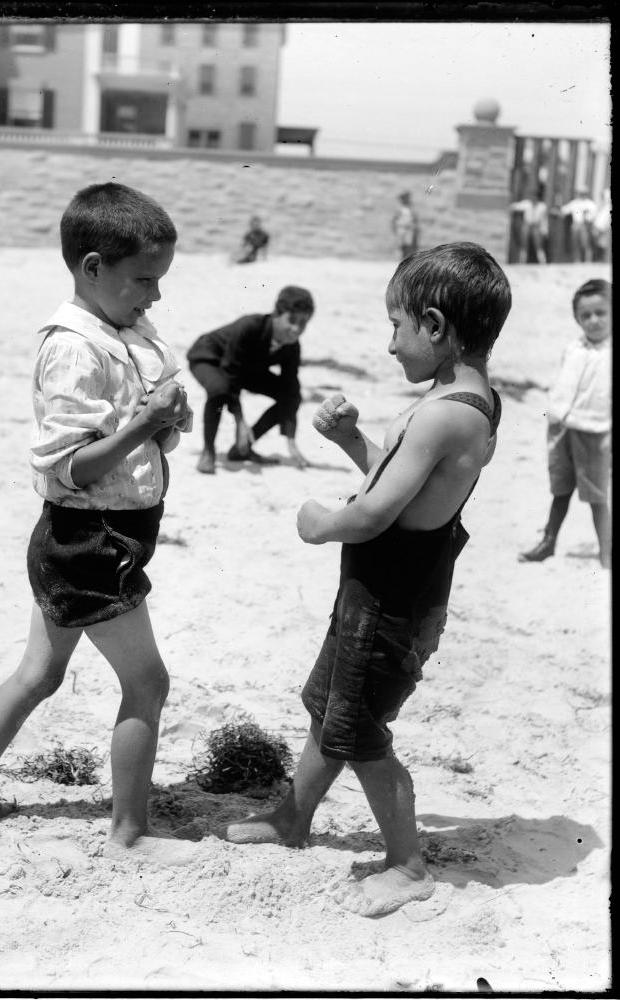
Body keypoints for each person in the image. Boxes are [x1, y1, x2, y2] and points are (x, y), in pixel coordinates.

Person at [226, 242, 511, 918]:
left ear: (435, 326)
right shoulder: (468, 401)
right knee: (328, 707)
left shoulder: (444, 412)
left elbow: (378, 511)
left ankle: (408, 865)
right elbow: (404, 483)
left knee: (356, 731)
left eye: (396, 326)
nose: (388, 346)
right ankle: (292, 818)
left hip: (390, 601)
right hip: (383, 592)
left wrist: (318, 521)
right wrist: (353, 442)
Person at [0, 182, 196, 863]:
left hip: (83, 538)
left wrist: (164, 421)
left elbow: (132, 441)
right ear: (92, 268)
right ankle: (129, 832)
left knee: (39, 673)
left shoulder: (124, 332)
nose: (154, 296)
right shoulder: (73, 348)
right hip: (88, 541)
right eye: (143, 280)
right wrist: (145, 423)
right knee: (148, 684)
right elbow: (69, 466)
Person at [519, 278, 611, 569]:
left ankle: (606, 552)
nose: (594, 320)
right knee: (560, 488)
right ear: (576, 319)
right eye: (586, 315)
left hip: (596, 431)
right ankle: (548, 541)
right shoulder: (573, 348)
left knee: (597, 495)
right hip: (562, 427)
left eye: (601, 313)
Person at [187, 286, 315, 473]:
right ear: (276, 314)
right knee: (219, 389)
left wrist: (290, 439)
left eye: (303, 322)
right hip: (209, 357)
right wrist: (240, 421)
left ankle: (244, 447)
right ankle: (208, 451)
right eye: (292, 320)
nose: (296, 329)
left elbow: (290, 387)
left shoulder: (292, 346)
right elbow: (230, 372)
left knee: (291, 395)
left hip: (244, 369)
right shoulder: (250, 325)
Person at [510, 186, 549, 264]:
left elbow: (544, 220)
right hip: (527, 226)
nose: (533, 198)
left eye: (535, 196)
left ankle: (543, 263)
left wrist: (545, 230)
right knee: (524, 245)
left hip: (536, 226)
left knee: (539, 246)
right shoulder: (526, 204)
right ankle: (522, 263)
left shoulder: (542, 206)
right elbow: (516, 206)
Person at [560, 189, 597, 263]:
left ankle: (588, 260)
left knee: (586, 243)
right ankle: (577, 260)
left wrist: (588, 217)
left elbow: (593, 215)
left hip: (585, 225)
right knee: (575, 243)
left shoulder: (590, 203)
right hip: (576, 225)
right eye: (580, 193)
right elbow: (564, 210)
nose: (581, 194)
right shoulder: (574, 203)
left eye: (582, 193)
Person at [391, 192, 420, 260]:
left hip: (409, 229)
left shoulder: (411, 208)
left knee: (408, 245)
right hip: (401, 228)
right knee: (400, 245)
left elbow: (415, 218)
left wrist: (414, 226)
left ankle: (406, 259)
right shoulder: (399, 208)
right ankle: (399, 259)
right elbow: (394, 219)